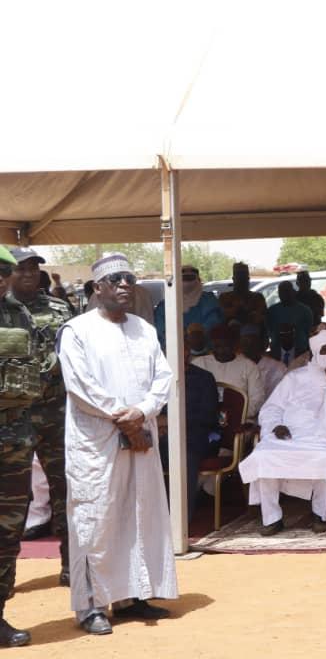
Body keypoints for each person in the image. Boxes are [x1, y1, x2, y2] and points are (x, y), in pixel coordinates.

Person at [56, 253, 176, 635]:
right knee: (96, 520)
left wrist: (142, 411)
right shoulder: (76, 331)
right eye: (116, 279)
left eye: (130, 279)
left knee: (140, 512)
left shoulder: (144, 329)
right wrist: (124, 417)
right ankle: (91, 606)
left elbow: (163, 377)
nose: (125, 284)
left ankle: (132, 595)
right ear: (97, 288)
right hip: (98, 441)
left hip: (139, 436)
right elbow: (80, 386)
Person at [240, 329, 326, 535]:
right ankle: (272, 518)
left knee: (325, 457)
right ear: (315, 351)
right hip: (287, 436)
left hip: (323, 438)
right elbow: (272, 408)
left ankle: (320, 515)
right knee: (263, 455)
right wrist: (275, 425)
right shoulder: (294, 377)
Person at [7, 246, 72, 585]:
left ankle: (72, 567)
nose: (29, 273)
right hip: (13, 419)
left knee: (67, 492)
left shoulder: (60, 309)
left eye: (34, 267)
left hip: (56, 415)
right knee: (11, 499)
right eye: (22, 268)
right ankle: (6, 577)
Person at [0, 245, 41, 646]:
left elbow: (37, 367)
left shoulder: (19, 315)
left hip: (13, 439)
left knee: (8, 532)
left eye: (4, 272)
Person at [158, 342, 220, 522]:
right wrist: (158, 424)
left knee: (183, 455)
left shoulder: (204, 378)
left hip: (196, 436)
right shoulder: (158, 377)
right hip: (162, 435)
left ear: (187, 351)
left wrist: (171, 422)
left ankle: (179, 520)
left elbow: (208, 416)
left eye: (183, 348)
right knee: (140, 450)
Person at [193, 325, 266, 421]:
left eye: (226, 346)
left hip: (239, 420)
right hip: (205, 420)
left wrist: (233, 414)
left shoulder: (249, 366)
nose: (221, 351)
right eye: (217, 346)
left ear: (234, 346)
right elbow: (192, 395)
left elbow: (257, 399)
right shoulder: (199, 363)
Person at [152, 265, 223, 348]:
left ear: (198, 280)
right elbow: (161, 329)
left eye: (190, 278)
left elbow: (213, 323)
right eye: (184, 278)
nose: (187, 282)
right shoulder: (166, 304)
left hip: (204, 349)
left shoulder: (208, 299)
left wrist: (195, 337)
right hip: (174, 349)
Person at [239, 324, 288, 396]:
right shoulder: (234, 366)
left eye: (252, 342)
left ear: (261, 343)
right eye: (245, 342)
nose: (248, 346)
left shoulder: (278, 368)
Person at [267, 281, 313, 357]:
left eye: (287, 291)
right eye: (281, 292)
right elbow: (269, 331)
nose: (284, 294)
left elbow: (308, 332)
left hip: (300, 351)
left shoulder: (305, 310)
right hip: (277, 352)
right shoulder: (272, 311)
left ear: (293, 292)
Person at [218, 262, 268, 327]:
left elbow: (264, 319)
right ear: (233, 279)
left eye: (243, 277)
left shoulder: (257, 298)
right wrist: (236, 308)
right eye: (239, 277)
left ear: (248, 279)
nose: (241, 281)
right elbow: (220, 317)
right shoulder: (224, 297)